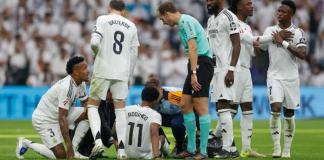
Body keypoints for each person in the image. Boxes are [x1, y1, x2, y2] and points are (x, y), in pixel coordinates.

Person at [157, 2, 214, 159]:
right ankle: (190, 148)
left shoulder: (185, 21)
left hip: (201, 64)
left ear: (167, 13)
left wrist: (194, 72)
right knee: (185, 105)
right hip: (196, 64)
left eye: (162, 19)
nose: (163, 22)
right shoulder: (183, 23)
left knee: (201, 108)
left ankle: (202, 151)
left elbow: (194, 48)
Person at [88, 0, 139, 159]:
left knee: (92, 105)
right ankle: (122, 150)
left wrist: (96, 54)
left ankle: (97, 143)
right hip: (122, 71)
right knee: (120, 109)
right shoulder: (131, 26)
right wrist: (129, 75)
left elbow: (94, 42)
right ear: (123, 11)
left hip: (103, 68)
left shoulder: (102, 19)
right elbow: (134, 54)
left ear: (109, 8)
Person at [258, 0, 307, 158]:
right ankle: (277, 148)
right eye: (278, 11)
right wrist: (270, 40)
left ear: (291, 14)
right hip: (274, 77)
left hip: (291, 78)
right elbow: (260, 49)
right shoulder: (270, 30)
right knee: (276, 108)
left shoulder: (298, 32)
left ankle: (287, 149)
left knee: (289, 114)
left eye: (283, 11)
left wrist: (283, 42)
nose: (279, 14)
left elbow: (302, 54)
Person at [16, 56, 90, 159]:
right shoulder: (66, 88)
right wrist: (68, 145)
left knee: (90, 112)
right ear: (76, 72)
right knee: (61, 155)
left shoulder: (81, 84)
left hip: (60, 115)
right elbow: (62, 118)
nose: (88, 71)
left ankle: (74, 148)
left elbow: (85, 103)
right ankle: (26, 143)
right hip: (44, 119)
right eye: (84, 68)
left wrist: (84, 114)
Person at [206, 0, 241, 158]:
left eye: (211, 0)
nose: (208, 3)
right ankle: (231, 148)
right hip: (215, 70)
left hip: (226, 68)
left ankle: (227, 148)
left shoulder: (229, 16)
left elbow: (237, 44)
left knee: (223, 105)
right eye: (206, 0)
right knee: (220, 108)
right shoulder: (210, 20)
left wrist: (231, 70)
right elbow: (209, 45)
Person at [125, 86, 169, 159]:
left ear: (142, 96)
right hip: (146, 156)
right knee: (161, 137)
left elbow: (114, 131)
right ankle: (166, 153)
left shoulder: (126, 109)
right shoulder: (155, 114)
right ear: (155, 101)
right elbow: (154, 134)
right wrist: (157, 156)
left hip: (126, 154)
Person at [145, 77, 185, 155]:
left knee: (176, 124)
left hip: (178, 114)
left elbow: (191, 103)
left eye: (154, 92)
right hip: (162, 116)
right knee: (147, 121)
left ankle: (180, 146)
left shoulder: (174, 94)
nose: (152, 96)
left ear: (160, 89)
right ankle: (164, 142)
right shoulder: (148, 96)